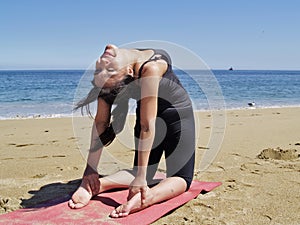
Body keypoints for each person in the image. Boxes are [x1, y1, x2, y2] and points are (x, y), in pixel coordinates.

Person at [68, 44, 195, 217]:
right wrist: (90, 170)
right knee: (182, 179)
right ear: (128, 71)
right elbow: (101, 123)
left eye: (101, 68)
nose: (102, 67)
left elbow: (146, 125)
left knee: (143, 175)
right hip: (150, 119)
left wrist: (141, 178)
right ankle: (99, 186)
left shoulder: (152, 66)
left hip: (176, 117)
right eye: (103, 69)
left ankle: (143, 195)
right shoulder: (125, 76)